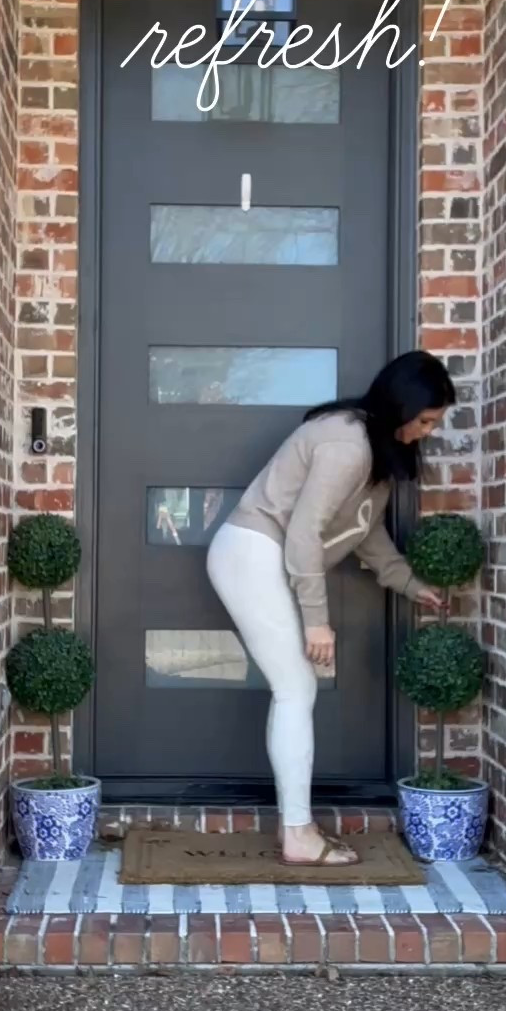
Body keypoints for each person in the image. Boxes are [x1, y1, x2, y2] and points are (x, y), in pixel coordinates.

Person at [206, 350, 455, 867]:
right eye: (427, 419)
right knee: (296, 687)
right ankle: (297, 834)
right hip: (253, 551)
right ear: (402, 404)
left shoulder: (375, 457)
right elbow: (303, 534)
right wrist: (317, 622)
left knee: (298, 688)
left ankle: (298, 830)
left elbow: (367, 538)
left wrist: (412, 585)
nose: (428, 431)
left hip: (269, 557)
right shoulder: (347, 443)